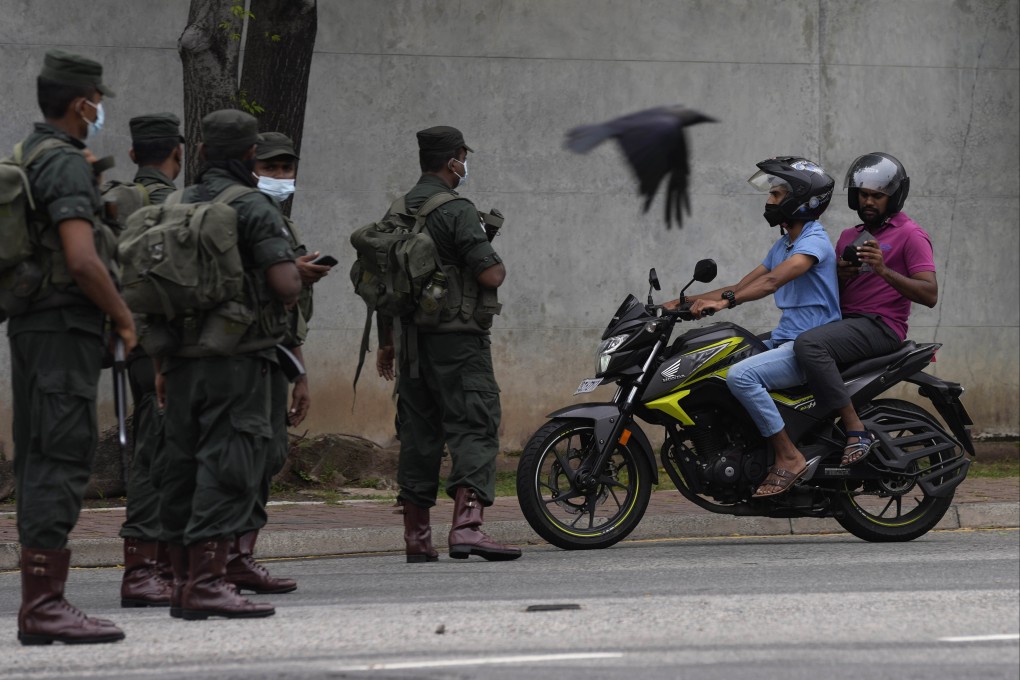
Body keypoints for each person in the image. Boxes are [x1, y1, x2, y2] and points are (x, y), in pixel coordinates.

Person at [155, 109, 301, 620]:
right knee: (229, 465)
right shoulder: (253, 207)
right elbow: (285, 286)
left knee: (181, 465)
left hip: (177, 356)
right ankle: (209, 582)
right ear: (248, 157)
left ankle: (178, 582)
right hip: (236, 360)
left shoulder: (175, 201)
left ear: (198, 153)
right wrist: (299, 276)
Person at [11, 50, 134, 645]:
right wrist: (123, 317)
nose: (99, 109)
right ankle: (44, 605)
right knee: (62, 455)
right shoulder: (61, 163)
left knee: (41, 455)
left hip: (34, 326)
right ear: (80, 100)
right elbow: (83, 260)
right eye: (96, 98)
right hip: (64, 329)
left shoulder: (29, 153)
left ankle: (43, 602)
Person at [376, 125, 520, 562]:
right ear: (454, 158)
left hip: (410, 342)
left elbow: (385, 282)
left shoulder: (398, 209)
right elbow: (490, 273)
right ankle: (468, 527)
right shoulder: (457, 210)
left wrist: (387, 344)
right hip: (458, 342)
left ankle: (417, 539)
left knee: (419, 435)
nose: (465, 164)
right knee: (474, 424)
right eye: (463, 156)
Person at [666, 157, 840, 498]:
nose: (769, 201)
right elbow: (742, 285)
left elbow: (772, 282)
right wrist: (678, 303)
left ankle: (789, 457)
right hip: (785, 339)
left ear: (800, 199)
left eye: (775, 194)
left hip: (809, 344)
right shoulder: (783, 244)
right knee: (723, 365)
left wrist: (725, 302)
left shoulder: (814, 241)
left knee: (741, 376)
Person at [224, 132, 331, 595]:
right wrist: (291, 276)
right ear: (251, 168)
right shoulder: (238, 215)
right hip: (235, 356)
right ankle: (219, 559)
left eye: (287, 169)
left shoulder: (281, 227)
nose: (282, 177)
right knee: (237, 458)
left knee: (268, 455)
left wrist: (300, 374)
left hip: (274, 354)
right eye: (272, 169)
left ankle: (240, 556)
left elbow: (287, 316)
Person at [794, 153, 937, 466]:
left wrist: (884, 270)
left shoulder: (911, 235)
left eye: (877, 196)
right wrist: (841, 277)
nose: (869, 202)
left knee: (809, 344)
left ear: (894, 197)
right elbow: (833, 292)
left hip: (881, 326)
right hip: (844, 323)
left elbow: (930, 294)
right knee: (781, 341)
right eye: (864, 195)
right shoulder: (849, 236)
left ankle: (854, 428)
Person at [117, 112, 184, 609]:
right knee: (158, 454)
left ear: (134, 154)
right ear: (176, 158)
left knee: (157, 448)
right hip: (165, 346)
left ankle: (161, 564)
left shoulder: (116, 199)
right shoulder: (173, 206)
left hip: (130, 343)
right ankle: (144, 570)